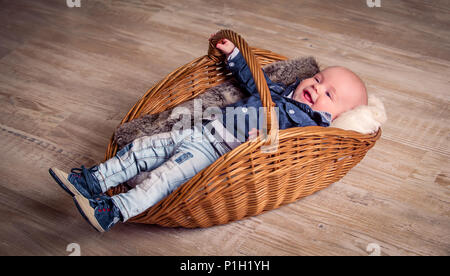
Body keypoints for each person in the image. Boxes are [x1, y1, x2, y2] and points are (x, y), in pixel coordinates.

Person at [49, 37, 368, 232]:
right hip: (201, 131)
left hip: (216, 152)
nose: (316, 87)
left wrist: (263, 143)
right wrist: (235, 57)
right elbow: (253, 80)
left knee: (163, 177)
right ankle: (93, 181)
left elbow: (284, 152)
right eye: (318, 78)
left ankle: (113, 211)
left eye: (329, 94)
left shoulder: (310, 128)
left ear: (335, 117)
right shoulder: (282, 92)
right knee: (142, 148)